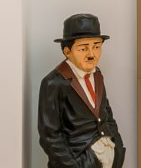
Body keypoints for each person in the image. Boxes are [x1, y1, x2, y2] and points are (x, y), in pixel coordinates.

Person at [38, 14, 125, 168]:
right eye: (83, 48)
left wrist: (117, 146)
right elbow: (50, 137)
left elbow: (107, 114)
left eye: (96, 46)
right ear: (67, 51)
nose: (92, 54)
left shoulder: (96, 74)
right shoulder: (53, 83)